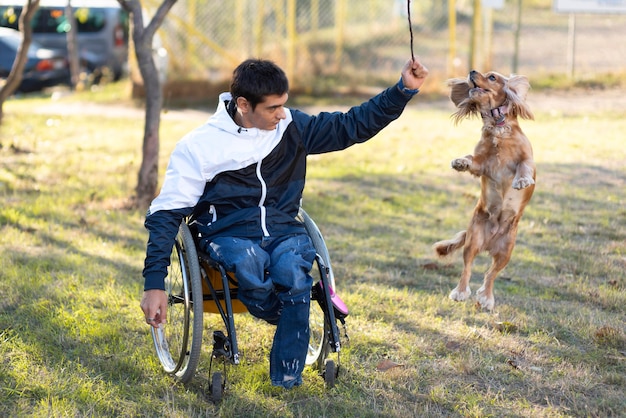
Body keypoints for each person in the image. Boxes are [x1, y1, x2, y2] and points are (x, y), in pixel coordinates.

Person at [140, 57, 429, 388]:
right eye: (273, 107)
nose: (282, 114)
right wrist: (154, 282)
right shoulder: (200, 146)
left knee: (293, 272)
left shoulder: (292, 127)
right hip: (227, 234)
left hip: (283, 230)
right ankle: (292, 313)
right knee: (249, 263)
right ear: (243, 104)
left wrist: (402, 90)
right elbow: (166, 214)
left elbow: (352, 125)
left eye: (284, 105)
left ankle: (287, 380)